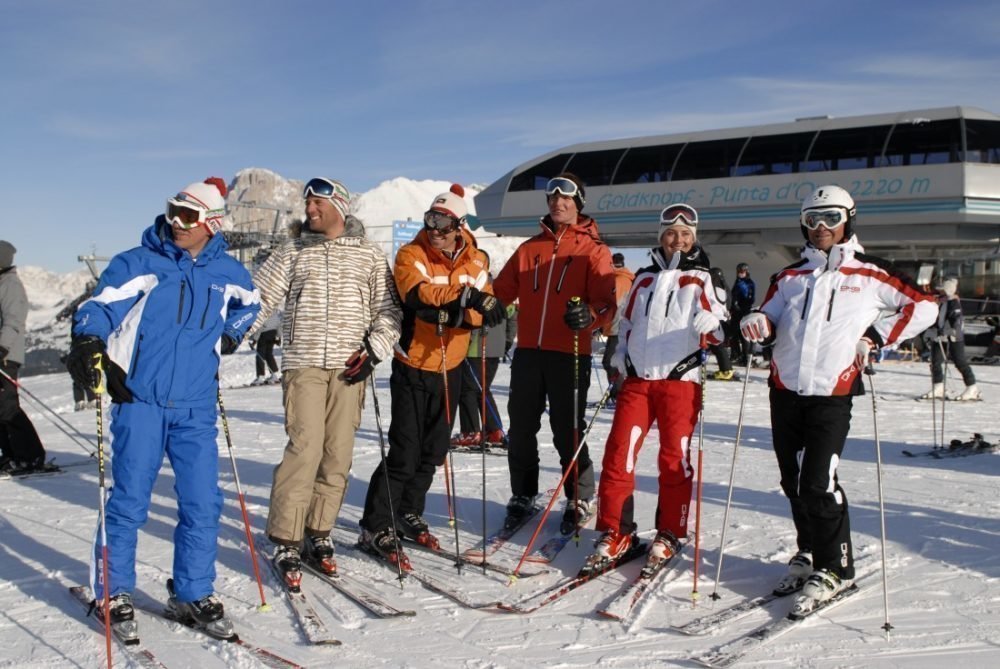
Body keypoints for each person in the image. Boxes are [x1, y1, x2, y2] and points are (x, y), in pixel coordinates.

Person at [65, 178, 260, 639]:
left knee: (202, 503)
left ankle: (192, 591)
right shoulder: (140, 262)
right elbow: (100, 306)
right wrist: (90, 339)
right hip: (140, 401)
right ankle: (113, 590)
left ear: (210, 223)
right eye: (173, 210)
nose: (176, 221)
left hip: (195, 408)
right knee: (130, 501)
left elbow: (252, 305)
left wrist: (228, 336)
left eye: (187, 215)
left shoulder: (228, 272)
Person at [739, 185, 936, 614]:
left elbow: (924, 307)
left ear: (848, 218)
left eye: (830, 218)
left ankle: (836, 566)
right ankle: (809, 550)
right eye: (812, 219)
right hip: (785, 390)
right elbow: (767, 314)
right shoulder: (789, 277)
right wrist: (756, 321)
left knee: (819, 483)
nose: (821, 227)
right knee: (792, 481)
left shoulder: (869, 273)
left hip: (833, 393)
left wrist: (877, 337)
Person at [250, 177, 402, 583]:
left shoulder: (368, 255)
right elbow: (259, 298)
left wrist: (373, 351)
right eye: (307, 204)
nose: (309, 210)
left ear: (340, 206)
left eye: (317, 204)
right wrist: (228, 334)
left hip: (350, 369)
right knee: (305, 447)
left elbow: (389, 313)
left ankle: (319, 531)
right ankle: (286, 535)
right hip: (304, 365)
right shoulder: (293, 251)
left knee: (337, 453)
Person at [359, 184, 503, 567]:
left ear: (459, 225)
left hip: (450, 366)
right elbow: (416, 294)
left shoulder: (476, 260)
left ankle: (408, 510)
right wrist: (464, 299)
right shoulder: (412, 253)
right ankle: (375, 523)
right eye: (430, 220)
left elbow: (483, 312)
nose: (435, 229)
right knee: (404, 451)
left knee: (435, 449)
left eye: (442, 222)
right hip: (413, 364)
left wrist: (461, 310)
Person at [584, 204, 726, 572]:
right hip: (638, 382)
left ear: (694, 237)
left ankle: (670, 531)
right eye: (671, 232)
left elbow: (722, 326)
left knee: (673, 459)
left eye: (685, 234)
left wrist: (713, 322)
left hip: (680, 382)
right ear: (660, 235)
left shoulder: (704, 277)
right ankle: (617, 531)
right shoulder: (644, 277)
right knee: (619, 454)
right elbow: (626, 322)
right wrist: (621, 356)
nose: (677, 239)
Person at [492, 173, 617, 534]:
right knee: (521, 429)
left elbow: (606, 301)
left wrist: (590, 316)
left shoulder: (593, 250)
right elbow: (500, 291)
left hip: (570, 352)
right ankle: (522, 493)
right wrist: (481, 303)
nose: (558, 203)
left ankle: (579, 496)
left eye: (566, 198)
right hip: (529, 352)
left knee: (568, 430)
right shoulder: (529, 249)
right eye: (552, 198)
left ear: (579, 203)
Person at [453, 274, 517, 448]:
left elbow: (468, 318)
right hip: (494, 348)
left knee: (467, 389)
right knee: (482, 389)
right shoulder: (501, 294)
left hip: (475, 348)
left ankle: (471, 432)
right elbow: (512, 314)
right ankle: (494, 430)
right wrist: (507, 340)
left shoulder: (478, 295)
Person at [0, 240, 47, 474]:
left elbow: (13, 320)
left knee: (7, 407)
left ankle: (31, 456)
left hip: (5, 356)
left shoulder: (10, 285)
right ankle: (10, 455)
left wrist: (1, 348)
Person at [919, 276, 980, 401]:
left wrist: (946, 330)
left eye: (942, 290)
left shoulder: (953, 302)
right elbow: (937, 319)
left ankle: (972, 387)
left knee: (960, 362)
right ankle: (938, 387)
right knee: (935, 362)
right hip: (939, 336)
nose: (939, 292)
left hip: (953, 337)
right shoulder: (942, 302)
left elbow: (956, 321)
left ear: (949, 291)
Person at [599, 253, 635, 406]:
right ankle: (617, 393)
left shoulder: (619, 280)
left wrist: (601, 324)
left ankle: (619, 394)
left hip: (618, 327)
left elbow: (614, 306)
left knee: (611, 362)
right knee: (611, 361)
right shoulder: (624, 278)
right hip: (618, 327)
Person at [707, 266, 736, 381]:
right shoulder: (724, 287)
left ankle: (726, 370)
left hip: (716, 320)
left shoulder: (713, 288)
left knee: (717, 346)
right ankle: (726, 369)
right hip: (724, 319)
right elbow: (728, 303)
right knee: (717, 346)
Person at [729, 262, 756, 365]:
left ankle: (745, 356)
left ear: (746, 272)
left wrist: (741, 306)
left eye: (742, 271)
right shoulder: (738, 281)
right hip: (736, 311)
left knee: (742, 334)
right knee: (734, 334)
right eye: (739, 271)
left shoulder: (749, 283)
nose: (740, 273)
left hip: (743, 311)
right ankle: (737, 354)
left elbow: (751, 298)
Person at [250, 309, 282, 386]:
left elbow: (260, 326)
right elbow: (279, 325)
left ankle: (260, 377)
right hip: (272, 334)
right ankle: (274, 375)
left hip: (264, 334)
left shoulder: (264, 312)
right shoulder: (275, 313)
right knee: (269, 354)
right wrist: (278, 337)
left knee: (260, 355)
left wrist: (254, 339)